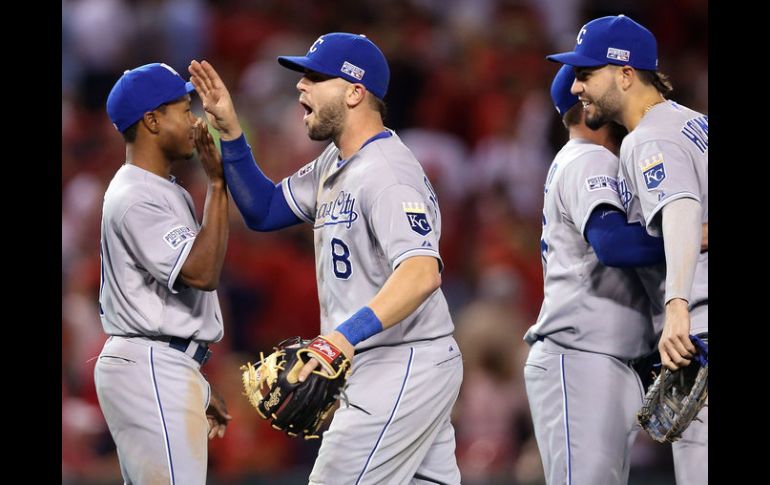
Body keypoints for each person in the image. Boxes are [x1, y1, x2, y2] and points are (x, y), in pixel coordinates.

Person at [188, 32, 463, 484]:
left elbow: (421, 273)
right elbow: (265, 210)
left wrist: (340, 338)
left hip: (401, 361)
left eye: (316, 77)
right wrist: (232, 134)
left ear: (355, 92)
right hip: (387, 362)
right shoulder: (336, 162)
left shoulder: (389, 173)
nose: (301, 86)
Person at [547, 15, 708, 484]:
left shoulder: (648, 136)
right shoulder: (697, 124)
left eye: (585, 73)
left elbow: (678, 210)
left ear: (625, 73)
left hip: (697, 326)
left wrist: (676, 307)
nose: (576, 87)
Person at [524, 64, 672, 485]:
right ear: (589, 107)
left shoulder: (585, 160)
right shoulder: (588, 158)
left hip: (601, 361)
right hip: (580, 360)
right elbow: (614, 245)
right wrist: (688, 236)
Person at [95, 62, 232, 485]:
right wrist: (217, 186)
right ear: (151, 120)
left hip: (160, 361)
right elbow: (202, 272)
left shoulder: (156, 188)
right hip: (151, 363)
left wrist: (195, 382)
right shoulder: (137, 195)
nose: (194, 120)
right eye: (182, 108)